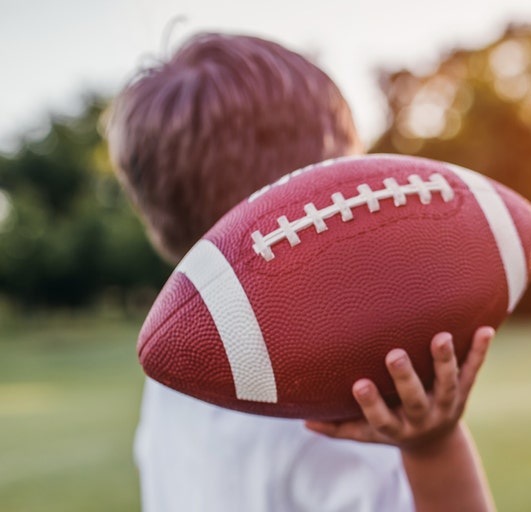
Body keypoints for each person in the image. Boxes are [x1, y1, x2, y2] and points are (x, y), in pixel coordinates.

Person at [107, 33, 494, 512]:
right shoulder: (337, 408)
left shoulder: (174, 375)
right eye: (349, 176)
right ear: (312, 203)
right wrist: (435, 448)